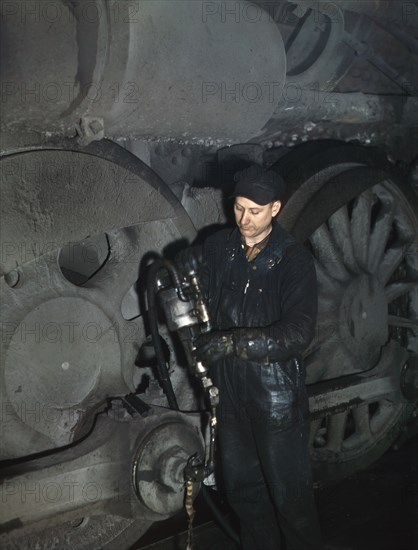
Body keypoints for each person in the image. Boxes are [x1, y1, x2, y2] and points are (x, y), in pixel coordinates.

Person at [179, 165, 323, 550]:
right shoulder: (220, 246)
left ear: (275, 208)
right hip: (230, 396)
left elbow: (297, 333)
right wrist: (187, 266)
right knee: (244, 493)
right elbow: (200, 290)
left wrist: (232, 343)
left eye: (254, 211)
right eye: (238, 208)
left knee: (290, 499)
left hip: (275, 399)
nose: (244, 220)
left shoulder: (293, 261)